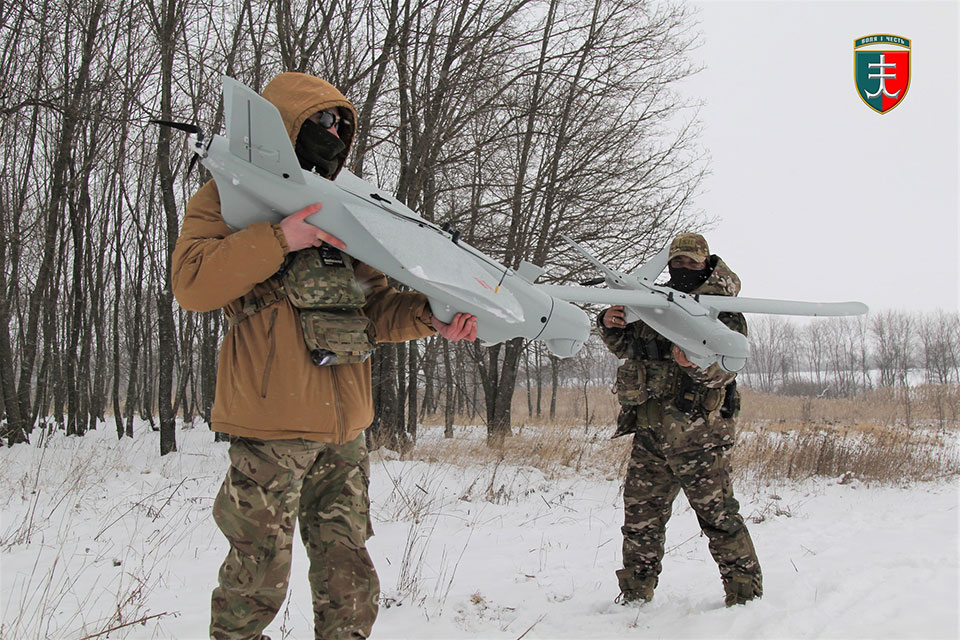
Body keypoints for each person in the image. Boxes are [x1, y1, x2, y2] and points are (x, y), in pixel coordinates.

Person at [171, 72, 477, 640]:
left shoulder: (346, 207)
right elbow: (191, 284)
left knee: (348, 573)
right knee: (255, 573)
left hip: (346, 430)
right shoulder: (227, 196)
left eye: (340, 124)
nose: (333, 133)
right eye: (319, 122)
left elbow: (375, 308)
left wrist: (429, 318)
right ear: (285, 126)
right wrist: (280, 239)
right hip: (271, 430)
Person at [598, 232, 762, 607]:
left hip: (700, 438)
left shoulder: (725, 312)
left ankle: (745, 596)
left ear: (706, 263)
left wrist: (698, 365)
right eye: (678, 262)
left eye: (691, 262)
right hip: (651, 434)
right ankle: (635, 593)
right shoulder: (653, 305)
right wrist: (609, 321)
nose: (684, 269)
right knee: (641, 520)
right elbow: (627, 346)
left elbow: (728, 369)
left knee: (718, 518)